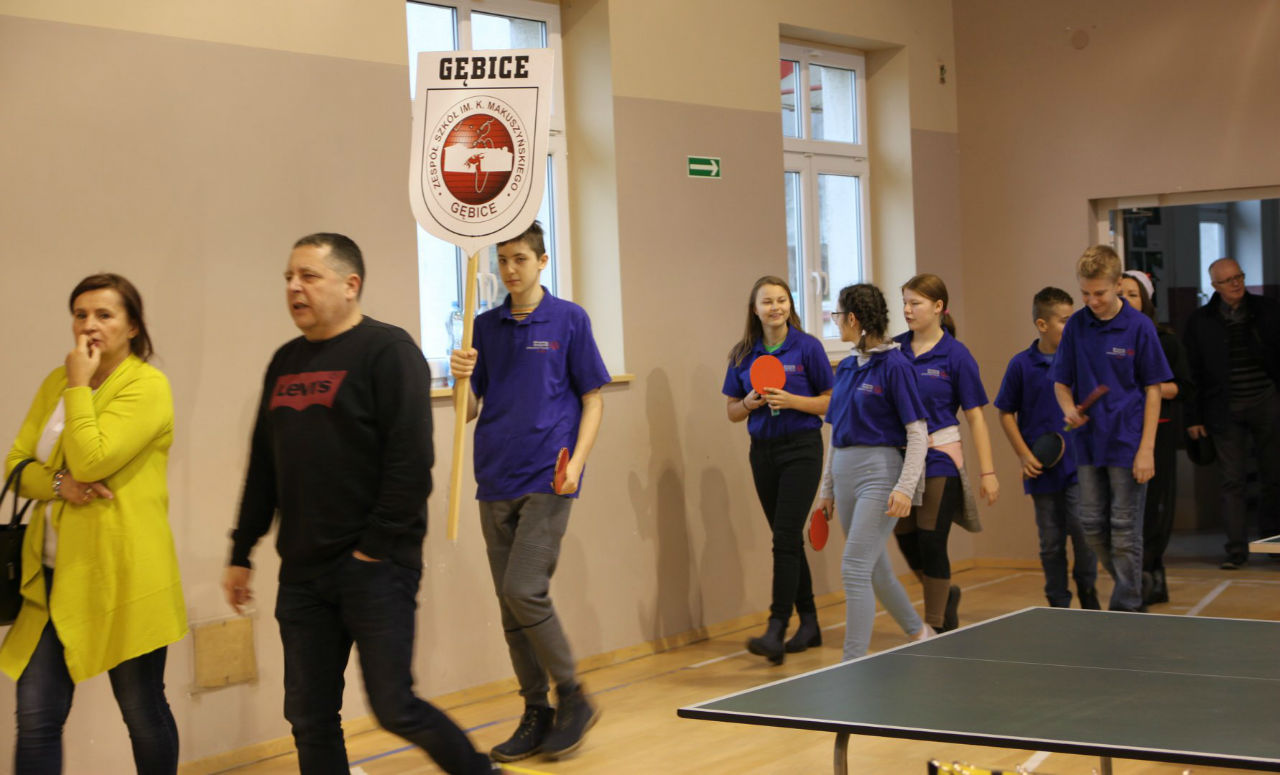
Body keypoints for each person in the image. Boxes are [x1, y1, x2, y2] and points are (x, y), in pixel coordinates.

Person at [223, 234, 493, 775]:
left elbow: (411, 463)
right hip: (304, 573)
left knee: (395, 707)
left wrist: (373, 550)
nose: (294, 287)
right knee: (309, 716)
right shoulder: (284, 361)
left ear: (351, 285)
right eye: (289, 278)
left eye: (309, 276)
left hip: (375, 568)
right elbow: (264, 465)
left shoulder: (389, 352)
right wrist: (241, 550)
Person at [2, 273, 186, 774]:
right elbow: (16, 465)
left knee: (142, 712)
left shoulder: (147, 386)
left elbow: (91, 460)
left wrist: (80, 386)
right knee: (35, 717)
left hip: (121, 577)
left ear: (132, 327)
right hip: (50, 578)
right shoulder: (55, 382)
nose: (89, 325)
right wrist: (58, 484)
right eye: (80, 314)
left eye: (104, 315)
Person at [449, 221, 609, 762]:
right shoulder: (483, 327)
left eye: (520, 259)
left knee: (523, 589)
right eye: (503, 260)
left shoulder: (569, 319)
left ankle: (574, 696)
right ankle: (536, 710)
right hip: (494, 478)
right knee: (509, 606)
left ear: (542, 261)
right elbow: (468, 411)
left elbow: (593, 398)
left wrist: (577, 464)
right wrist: (460, 378)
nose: (510, 269)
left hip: (549, 476)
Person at [817, 283, 933, 661]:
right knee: (875, 569)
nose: (836, 322)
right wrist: (827, 489)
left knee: (854, 568)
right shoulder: (847, 368)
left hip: (879, 476)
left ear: (853, 319)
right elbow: (835, 433)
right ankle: (921, 634)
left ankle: (851, 664)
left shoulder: (896, 366)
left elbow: (918, 433)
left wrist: (905, 487)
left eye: (838, 315)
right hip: (845, 475)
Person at [1053, 245, 1171, 612]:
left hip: (1127, 442)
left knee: (1124, 529)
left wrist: (1146, 448)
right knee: (1091, 526)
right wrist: (1069, 409)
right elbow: (1061, 383)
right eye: (1085, 293)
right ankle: (1134, 581)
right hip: (1088, 444)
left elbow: (1154, 390)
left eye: (1099, 293)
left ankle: (1128, 606)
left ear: (1118, 284)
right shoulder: (1076, 326)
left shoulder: (1140, 327)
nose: (1092, 301)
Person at [723, 276, 833, 664]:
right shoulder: (742, 354)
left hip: (802, 450)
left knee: (784, 538)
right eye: (767, 302)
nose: (775, 307)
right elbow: (732, 411)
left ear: (790, 305)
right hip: (763, 454)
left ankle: (776, 627)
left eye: (782, 300)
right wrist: (749, 403)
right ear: (755, 309)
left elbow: (830, 402)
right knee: (787, 539)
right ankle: (810, 622)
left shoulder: (808, 347)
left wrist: (793, 401)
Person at [892, 274, 999, 632]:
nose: (908, 310)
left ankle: (936, 626)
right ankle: (944, 594)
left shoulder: (957, 355)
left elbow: (976, 418)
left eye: (915, 303)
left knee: (931, 538)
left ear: (938, 307)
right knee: (905, 537)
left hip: (941, 456)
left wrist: (988, 472)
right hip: (902, 458)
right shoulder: (894, 350)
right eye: (905, 303)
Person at [994, 287, 1100, 609]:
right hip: (1041, 470)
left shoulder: (1081, 362)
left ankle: (1088, 593)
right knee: (1051, 542)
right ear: (1042, 324)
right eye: (1064, 321)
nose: (1071, 326)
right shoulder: (1020, 365)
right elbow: (1005, 413)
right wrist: (1024, 455)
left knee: (1084, 533)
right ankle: (1058, 603)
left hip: (1080, 468)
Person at [1182, 257, 1280, 570]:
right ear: (1215, 286)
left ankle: (1273, 544)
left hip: (1267, 401)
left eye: (1239, 277)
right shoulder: (1200, 321)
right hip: (1223, 409)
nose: (1235, 283)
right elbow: (1193, 372)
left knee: (1273, 477)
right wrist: (1194, 417)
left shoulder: (1268, 310)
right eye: (1227, 280)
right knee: (1231, 482)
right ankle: (1236, 550)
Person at [1118, 270, 1193, 604]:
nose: (1125, 300)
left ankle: (1150, 569)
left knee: (1153, 505)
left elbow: (1183, 388)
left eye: (1132, 294)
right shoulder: (1106, 341)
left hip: (1157, 432)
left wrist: (1149, 387)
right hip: (1117, 434)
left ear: (1146, 300)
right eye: (1120, 294)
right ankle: (1135, 574)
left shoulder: (1165, 340)